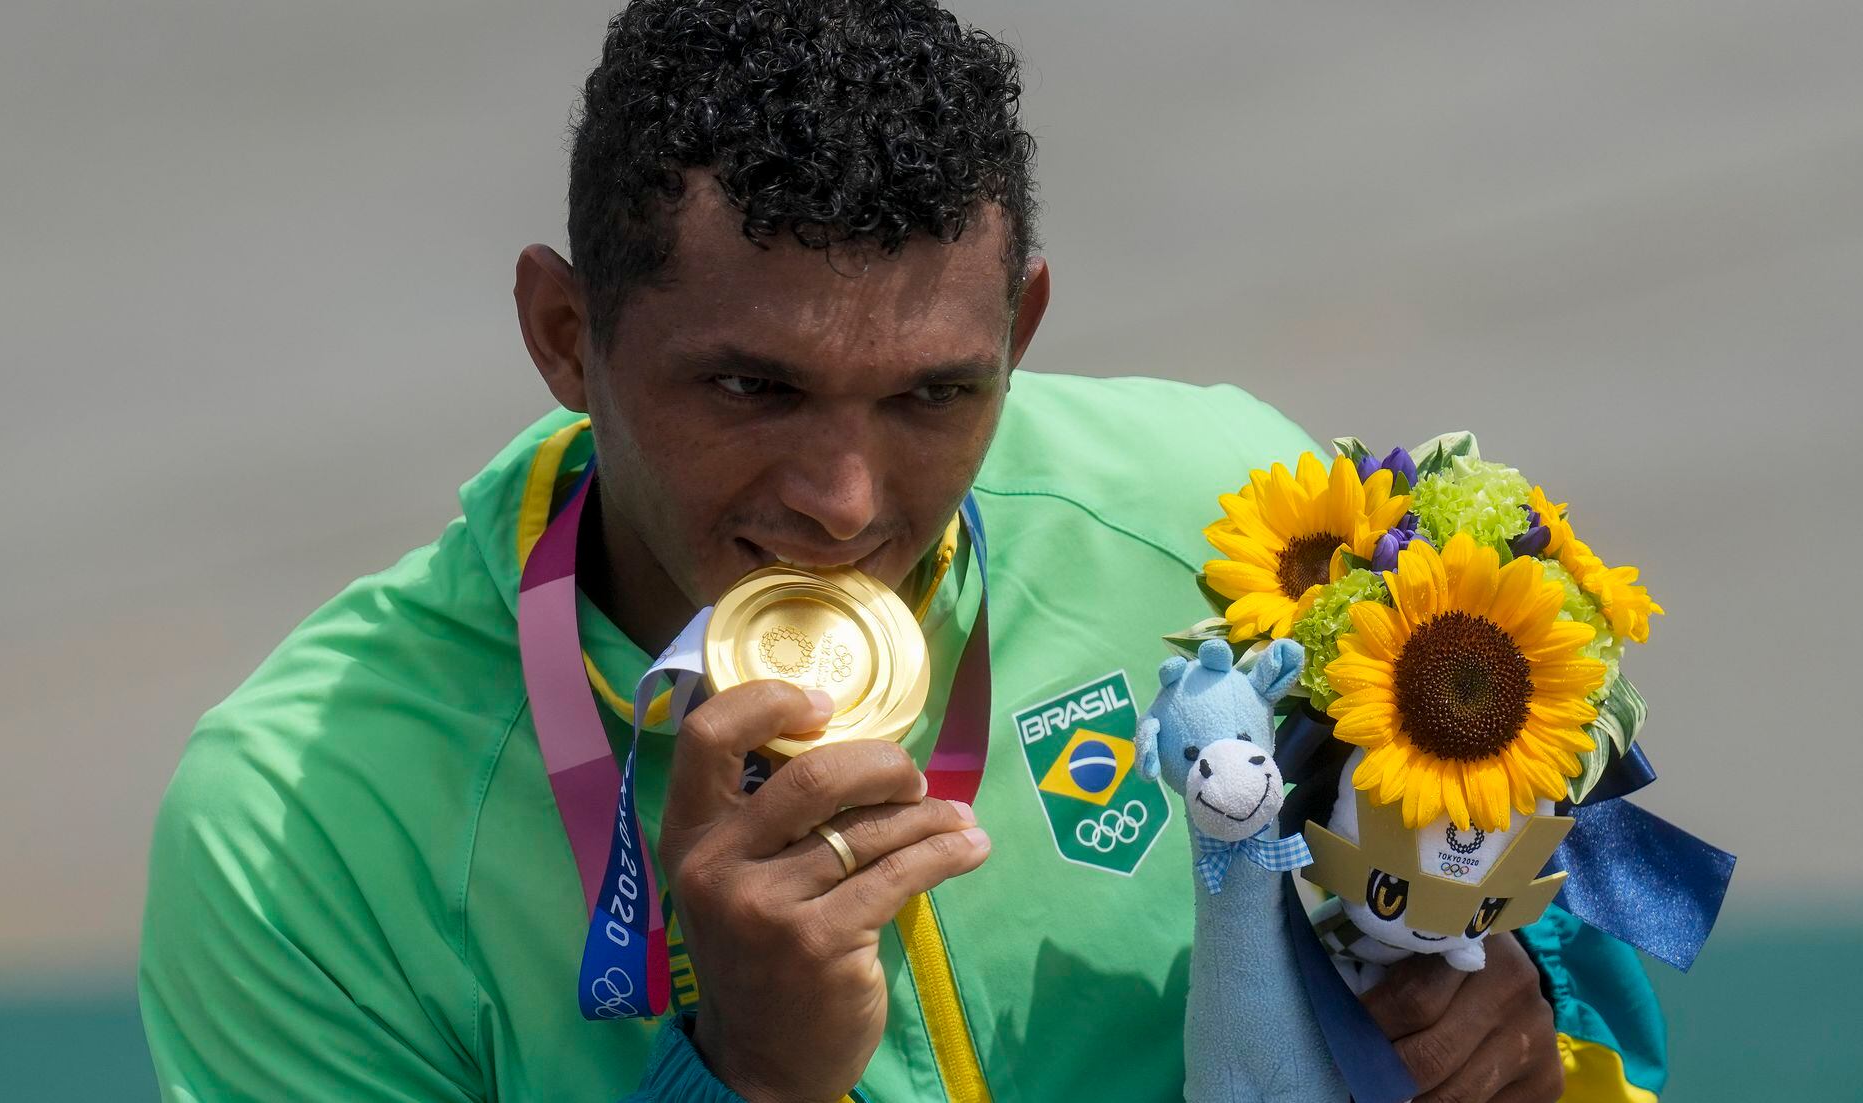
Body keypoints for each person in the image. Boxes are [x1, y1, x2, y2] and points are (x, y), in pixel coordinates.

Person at [138, 2, 1666, 1100]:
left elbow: (1592, 966)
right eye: (752, 389)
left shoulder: (1227, 524)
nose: (846, 500)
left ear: (1026, 328)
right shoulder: (298, 832)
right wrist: (747, 1078)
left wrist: (1525, 1037)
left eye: (938, 394)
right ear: (563, 334)